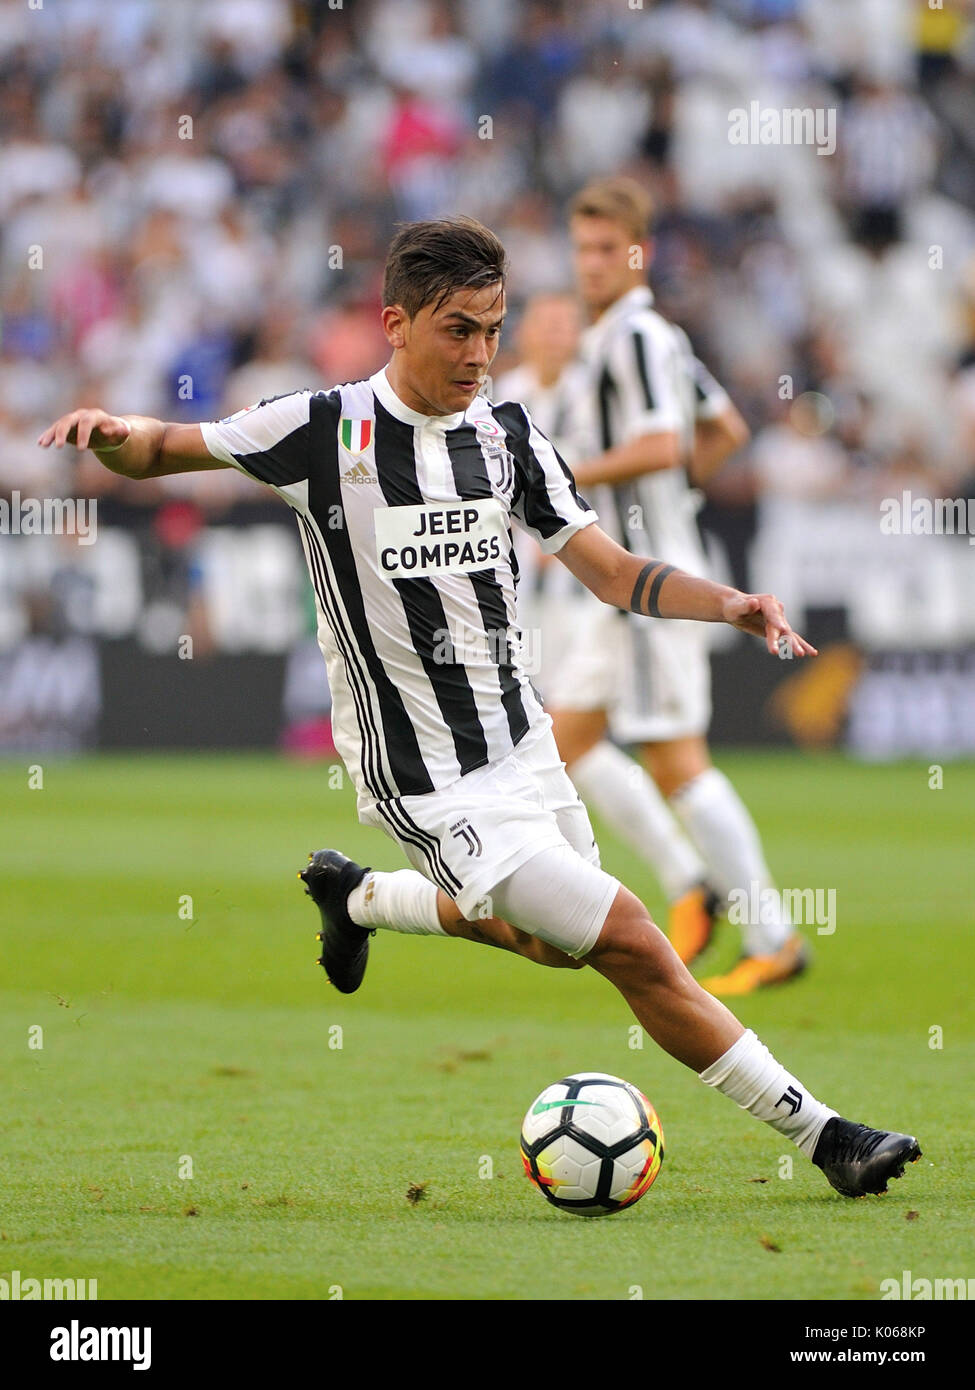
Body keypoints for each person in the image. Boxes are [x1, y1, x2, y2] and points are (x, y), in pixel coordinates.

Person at [39, 215, 919, 1198]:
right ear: (396, 322)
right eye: (459, 329)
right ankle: (828, 1136)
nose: (480, 353)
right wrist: (110, 437)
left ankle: (362, 897)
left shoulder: (506, 434)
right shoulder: (322, 430)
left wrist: (728, 604)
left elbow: (609, 569)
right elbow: (163, 449)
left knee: (553, 943)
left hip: (523, 743)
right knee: (632, 940)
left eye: (493, 329)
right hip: (423, 775)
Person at [544, 177, 806, 995]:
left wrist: (560, 473)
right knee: (565, 742)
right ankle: (690, 885)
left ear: (638, 252)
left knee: (675, 758)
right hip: (625, 578)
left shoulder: (632, 337)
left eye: (603, 250)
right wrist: (678, 496)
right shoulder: (643, 337)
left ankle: (774, 935)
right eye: (579, 248)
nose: (589, 264)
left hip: (647, 578)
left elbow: (659, 444)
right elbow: (722, 426)